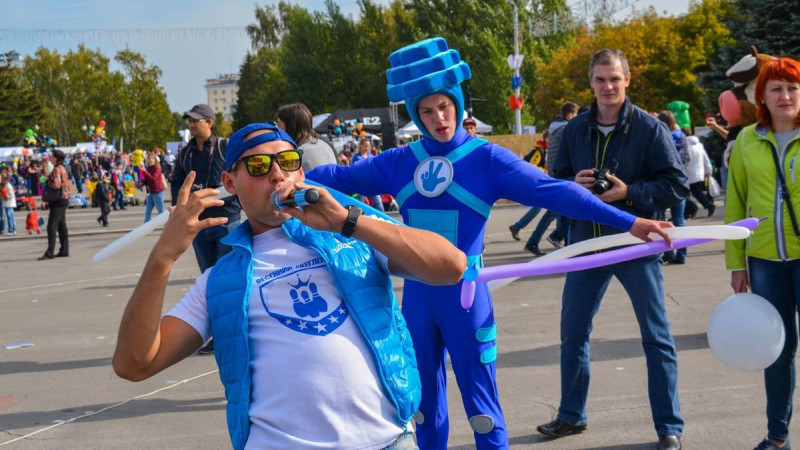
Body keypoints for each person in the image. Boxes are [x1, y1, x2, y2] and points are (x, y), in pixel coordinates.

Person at [308, 38, 675, 449]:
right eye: (426, 111)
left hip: (466, 299)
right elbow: (333, 178)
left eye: (445, 106)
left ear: (457, 103)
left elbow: (559, 193)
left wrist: (630, 222)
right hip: (417, 301)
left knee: (483, 414)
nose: (439, 118)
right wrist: (282, 170)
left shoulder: (487, 160)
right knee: (424, 414)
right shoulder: (399, 161)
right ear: (415, 114)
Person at [113, 121, 467, 449]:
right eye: (258, 166)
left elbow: (450, 266)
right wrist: (162, 258)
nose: (277, 173)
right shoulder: (218, 281)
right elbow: (134, 363)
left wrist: (347, 222)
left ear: (301, 172)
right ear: (230, 182)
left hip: (387, 441)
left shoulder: (352, 236)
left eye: (287, 161)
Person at [539, 49, 689, 450]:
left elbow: (676, 185)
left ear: (627, 80)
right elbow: (554, 184)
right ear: (591, 82)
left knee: (656, 336)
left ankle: (669, 427)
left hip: (635, 245)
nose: (608, 87)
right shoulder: (573, 130)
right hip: (586, 245)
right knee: (573, 334)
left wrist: (629, 192)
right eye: (601, 79)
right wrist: (573, 185)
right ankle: (571, 415)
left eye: (615, 79)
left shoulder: (649, 128)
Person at [725, 57, 800, 450]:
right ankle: (777, 436)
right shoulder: (746, 142)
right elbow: (735, 204)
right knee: (778, 351)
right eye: (776, 89)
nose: (785, 95)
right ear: (762, 97)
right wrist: (736, 263)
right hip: (765, 262)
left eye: (793, 88)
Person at [172, 104, 242, 354]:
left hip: (226, 220)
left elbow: (239, 175)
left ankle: (236, 331)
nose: (191, 124)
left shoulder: (224, 147)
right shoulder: (185, 153)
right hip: (199, 224)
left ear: (209, 123)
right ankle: (217, 334)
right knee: (209, 281)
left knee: (229, 280)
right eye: (189, 121)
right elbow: (177, 182)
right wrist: (179, 208)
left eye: (196, 120)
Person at [520, 102, 580, 254]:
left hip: (556, 174)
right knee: (557, 213)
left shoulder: (555, 129)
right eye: (576, 115)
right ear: (571, 115)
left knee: (559, 213)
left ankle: (551, 239)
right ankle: (542, 241)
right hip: (563, 175)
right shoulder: (565, 129)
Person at [657, 110, 689, 265]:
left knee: (662, 220)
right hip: (679, 182)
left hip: (662, 182)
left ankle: (668, 251)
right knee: (679, 220)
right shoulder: (681, 137)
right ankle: (681, 254)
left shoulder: (659, 138)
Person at [276, 102, 338, 171]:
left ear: (290, 127)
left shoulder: (296, 155)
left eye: (279, 125)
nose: (277, 129)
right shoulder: (325, 144)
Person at [39, 150, 71, 260]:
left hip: (57, 201)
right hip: (64, 198)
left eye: (52, 156)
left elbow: (57, 185)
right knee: (62, 226)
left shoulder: (57, 169)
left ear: (56, 158)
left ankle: (50, 252)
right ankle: (64, 250)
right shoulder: (63, 167)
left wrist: (48, 181)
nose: (51, 158)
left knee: (51, 227)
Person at [684, 127, 715, 216]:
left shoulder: (684, 145)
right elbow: (705, 158)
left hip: (689, 174)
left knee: (686, 193)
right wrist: (709, 169)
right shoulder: (699, 145)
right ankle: (706, 205)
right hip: (699, 173)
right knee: (696, 192)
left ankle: (694, 208)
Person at [350, 139, 385, 212]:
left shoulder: (371, 156)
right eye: (365, 146)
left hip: (372, 182)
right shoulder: (356, 157)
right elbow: (354, 170)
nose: (367, 148)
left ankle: (383, 217)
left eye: (368, 146)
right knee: (361, 202)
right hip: (361, 183)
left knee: (378, 202)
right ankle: (358, 217)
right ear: (361, 146)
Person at [139, 152, 166, 223]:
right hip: (151, 193)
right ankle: (145, 227)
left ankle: (168, 226)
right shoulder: (149, 168)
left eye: (152, 158)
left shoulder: (157, 168)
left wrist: (145, 171)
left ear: (155, 160)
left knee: (161, 212)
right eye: (149, 158)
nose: (150, 160)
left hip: (158, 192)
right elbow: (148, 179)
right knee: (148, 212)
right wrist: (141, 184)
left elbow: (153, 179)